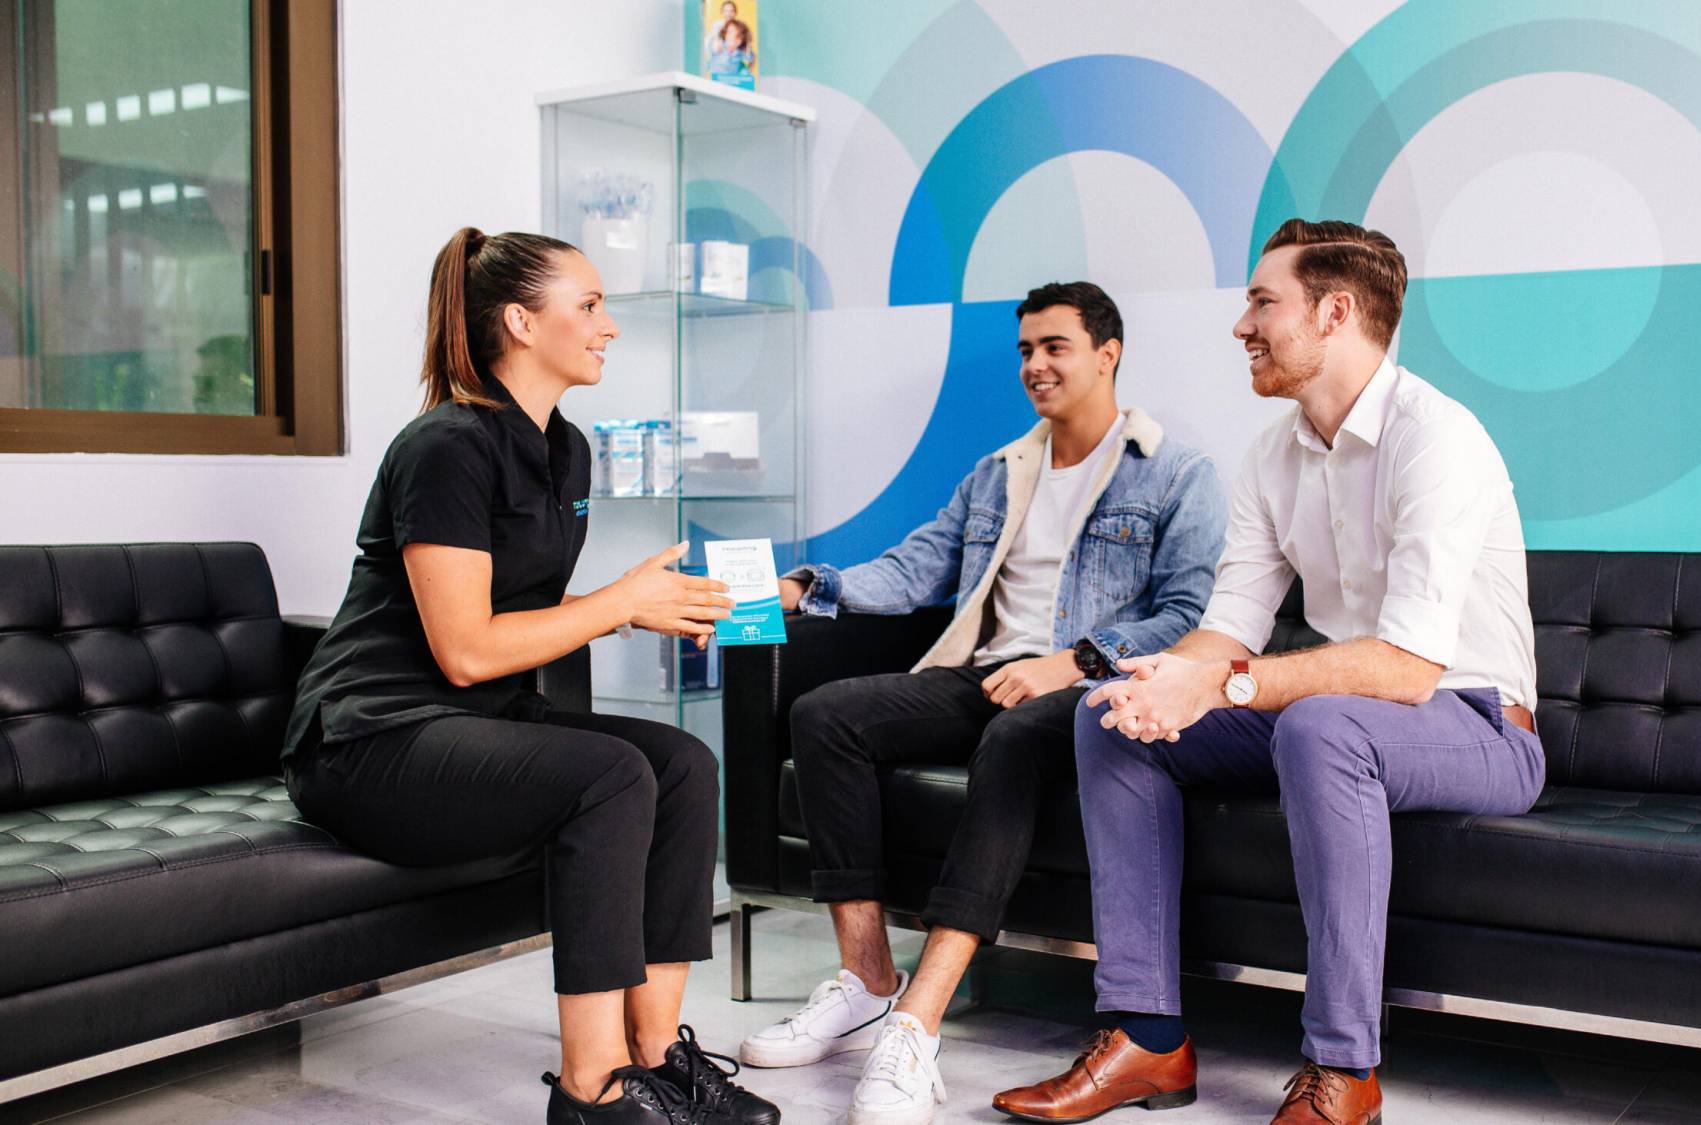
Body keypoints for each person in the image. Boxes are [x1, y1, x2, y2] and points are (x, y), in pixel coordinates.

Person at [992, 221, 1543, 1125]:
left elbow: (1407, 669)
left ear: (1333, 312)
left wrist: (1225, 685)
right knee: (1108, 713)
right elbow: (1229, 630)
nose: (1240, 325)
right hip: (1347, 719)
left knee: (1318, 723)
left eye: (1261, 302)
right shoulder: (1272, 455)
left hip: (1478, 723)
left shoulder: (1437, 439)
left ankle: (1343, 1073)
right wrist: (1162, 676)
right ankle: (1147, 1039)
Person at [282, 227, 779, 1125]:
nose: (608, 327)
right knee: (609, 774)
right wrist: (622, 601)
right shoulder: (443, 446)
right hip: (370, 739)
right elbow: (466, 648)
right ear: (520, 320)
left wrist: (654, 602)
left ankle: (656, 1054)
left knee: (682, 763)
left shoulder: (567, 450)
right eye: (588, 305)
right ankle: (591, 1089)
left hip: (477, 724)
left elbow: (519, 617)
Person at [739, 282, 1227, 1125]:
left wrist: (1073, 660)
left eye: (1055, 347)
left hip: (1091, 687)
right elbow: (912, 569)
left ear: (1108, 354)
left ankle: (917, 1023)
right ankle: (866, 979)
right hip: (986, 672)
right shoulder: (999, 472)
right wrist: (802, 587)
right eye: (1025, 350)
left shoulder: (1179, 472)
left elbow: (1188, 613)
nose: (1035, 365)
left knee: (1012, 736)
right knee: (825, 713)